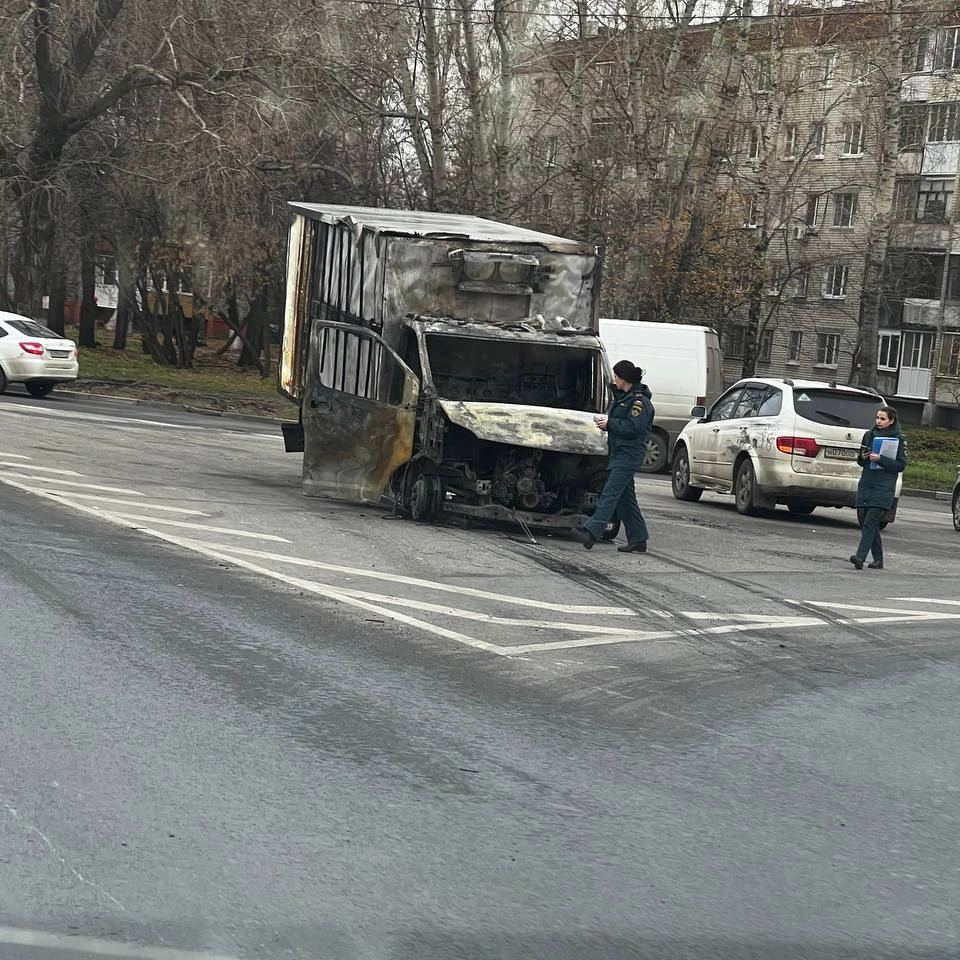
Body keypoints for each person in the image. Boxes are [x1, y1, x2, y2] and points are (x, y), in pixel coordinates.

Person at [573, 359, 655, 554]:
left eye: (616, 377)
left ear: (624, 379)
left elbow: (633, 428)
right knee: (626, 500)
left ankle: (591, 533)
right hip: (620, 453)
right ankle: (638, 539)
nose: (613, 379)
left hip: (628, 455)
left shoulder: (639, 403)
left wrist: (609, 424)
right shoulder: (625, 397)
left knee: (609, 494)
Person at [849, 405, 908, 570]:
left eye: (883, 419)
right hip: (867, 484)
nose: (878, 421)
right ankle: (878, 560)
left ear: (891, 421)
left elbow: (901, 465)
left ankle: (860, 557)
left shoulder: (899, 439)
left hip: (883, 487)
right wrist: (864, 457)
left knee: (870, 522)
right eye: (877, 418)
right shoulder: (869, 435)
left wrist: (880, 459)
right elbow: (860, 460)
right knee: (867, 523)